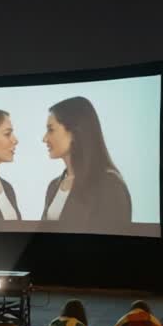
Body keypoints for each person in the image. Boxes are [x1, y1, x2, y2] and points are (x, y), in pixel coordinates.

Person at [39, 97, 132, 234]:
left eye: (51, 130)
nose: (44, 138)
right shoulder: (54, 186)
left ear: (74, 132)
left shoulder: (110, 185)